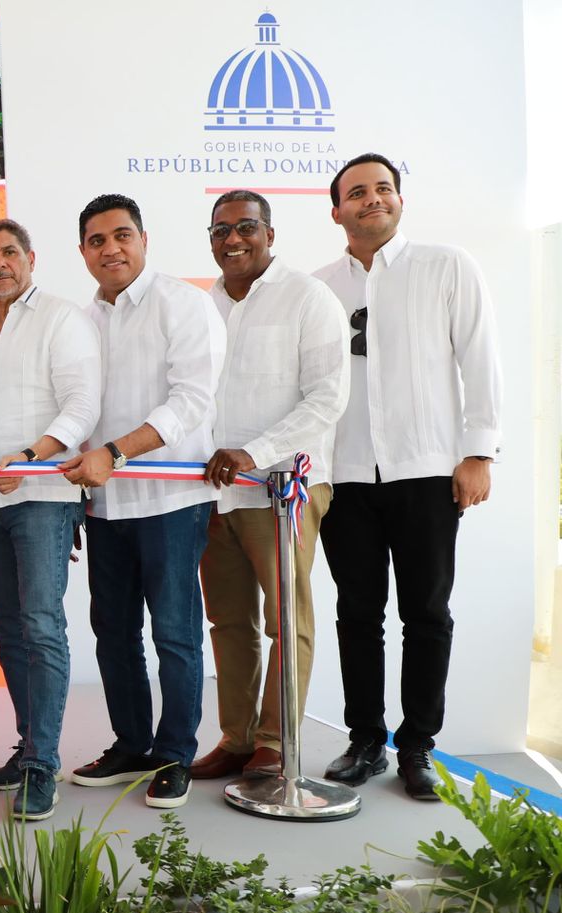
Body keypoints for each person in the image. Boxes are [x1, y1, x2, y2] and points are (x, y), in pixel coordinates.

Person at [312, 153, 502, 801]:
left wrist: (479, 452)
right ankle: (365, 740)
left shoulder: (446, 266)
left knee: (426, 613)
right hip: (345, 475)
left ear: (399, 199)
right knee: (357, 613)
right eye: (357, 192)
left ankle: (417, 745)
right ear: (336, 210)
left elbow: (480, 358)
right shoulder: (319, 288)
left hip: (427, 470)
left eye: (383, 188)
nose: (373, 199)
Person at [61, 193, 225, 809]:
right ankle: (131, 744)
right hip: (105, 506)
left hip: (170, 500)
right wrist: (77, 489)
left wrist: (116, 452)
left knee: (175, 634)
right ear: (83, 252)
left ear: (144, 239)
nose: (111, 249)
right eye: (97, 241)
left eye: (121, 235)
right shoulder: (81, 321)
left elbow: (192, 401)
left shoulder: (183, 303)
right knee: (113, 631)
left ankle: (175, 754)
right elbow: (76, 407)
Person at [191, 192, 349, 781]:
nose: (233, 239)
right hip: (213, 493)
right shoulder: (203, 306)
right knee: (228, 621)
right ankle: (236, 739)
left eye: (246, 227)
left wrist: (253, 453)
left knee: (288, 620)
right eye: (221, 229)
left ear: (270, 234)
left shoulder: (308, 297)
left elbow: (328, 397)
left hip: (280, 490)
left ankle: (276, 742)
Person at [0, 219, 101, 820]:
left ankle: (43, 765)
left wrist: (31, 455)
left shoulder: (61, 318)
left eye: (9, 252)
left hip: (43, 497)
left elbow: (82, 406)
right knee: (7, 627)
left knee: (42, 626)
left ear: (31, 258)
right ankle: (28, 748)